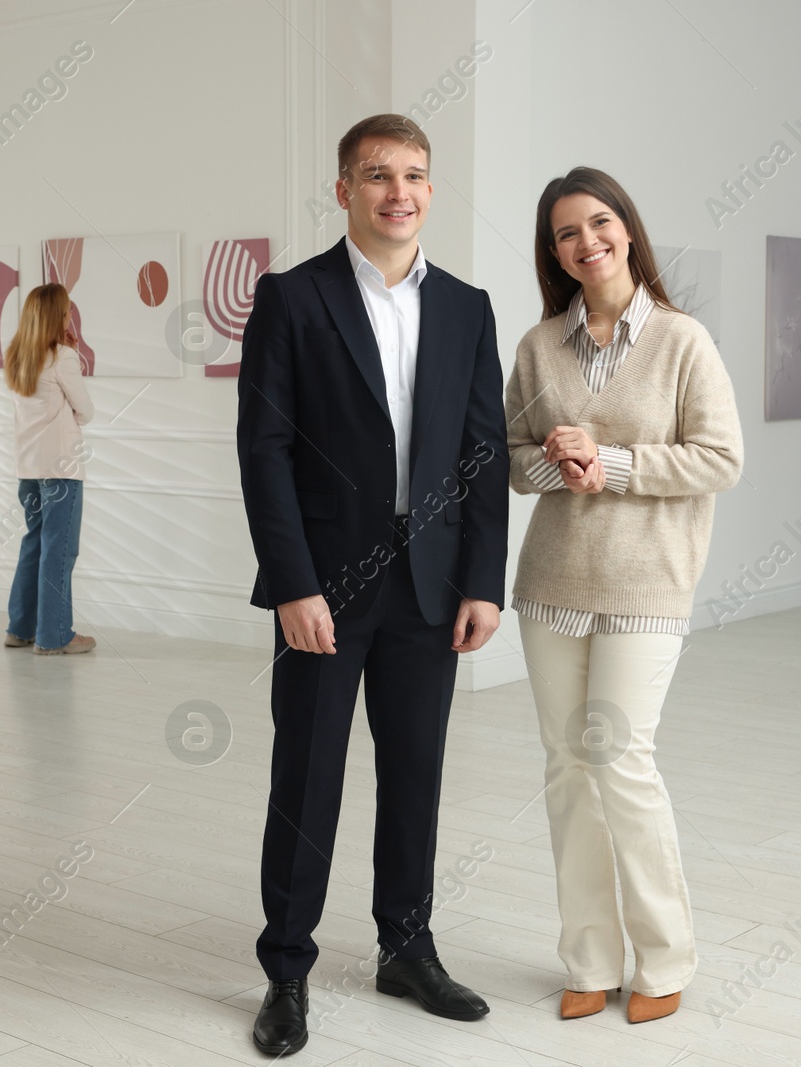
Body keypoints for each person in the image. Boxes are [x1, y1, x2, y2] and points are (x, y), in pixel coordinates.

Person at [237, 113, 508, 1057]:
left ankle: (406, 947)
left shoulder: (469, 307)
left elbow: (482, 453)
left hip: (431, 589)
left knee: (417, 775)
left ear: (432, 190)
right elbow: (263, 449)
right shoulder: (291, 297)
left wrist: (484, 579)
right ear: (344, 188)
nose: (401, 191)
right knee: (307, 781)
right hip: (324, 588)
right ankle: (286, 971)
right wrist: (291, 584)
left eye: (416, 175)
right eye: (379, 174)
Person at [504, 167, 742, 1024]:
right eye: (568, 232)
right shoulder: (539, 346)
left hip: (646, 587)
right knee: (567, 767)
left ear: (628, 231)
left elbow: (721, 459)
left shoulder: (683, 341)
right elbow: (511, 457)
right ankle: (590, 957)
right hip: (551, 586)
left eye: (600, 224)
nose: (587, 242)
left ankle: (665, 957)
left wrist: (611, 463)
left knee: (620, 759)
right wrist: (555, 458)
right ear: (555, 250)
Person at [3, 283, 96, 655]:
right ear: (58, 315)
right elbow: (86, 412)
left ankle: (20, 628)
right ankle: (55, 635)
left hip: (28, 466)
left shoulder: (16, 354)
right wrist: (73, 353)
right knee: (59, 551)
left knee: (34, 544)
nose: (69, 317)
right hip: (61, 468)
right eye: (66, 311)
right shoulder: (62, 357)